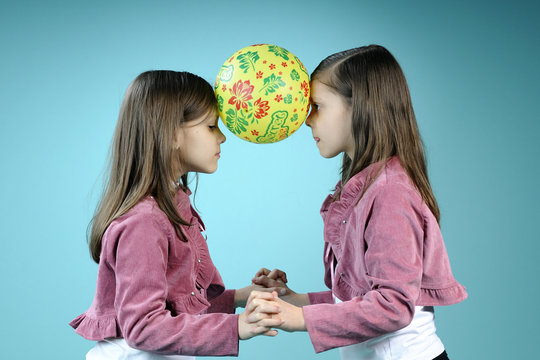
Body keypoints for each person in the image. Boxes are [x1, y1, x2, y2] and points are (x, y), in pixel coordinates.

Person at [251, 45, 468, 359]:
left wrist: (300, 319)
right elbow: (360, 297)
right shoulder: (364, 187)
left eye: (317, 106)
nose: (307, 121)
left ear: (359, 107)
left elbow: (392, 306)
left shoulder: (391, 193)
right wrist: (295, 300)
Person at [70, 70, 283, 359]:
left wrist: (241, 298)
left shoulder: (170, 208)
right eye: (210, 126)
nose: (222, 137)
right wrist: (237, 327)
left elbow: (175, 306)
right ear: (171, 134)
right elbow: (143, 328)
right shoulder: (144, 222)